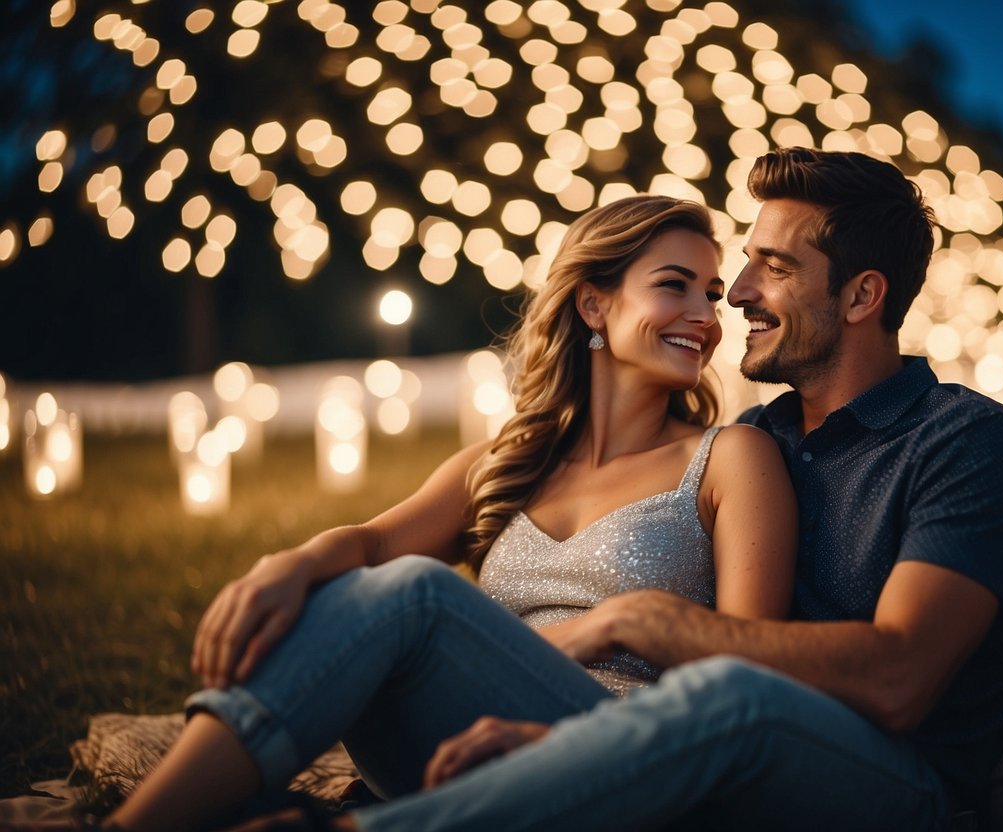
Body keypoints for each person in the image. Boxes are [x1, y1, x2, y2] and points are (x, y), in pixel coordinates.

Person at [261, 147, 1003, 831]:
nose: (735, 295)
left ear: (860, 296)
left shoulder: (964, 442)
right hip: (709, 761)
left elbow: (896, 679)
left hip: (890, 792)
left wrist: (642, 622)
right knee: (409, 593)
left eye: (771, 268)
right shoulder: (758, 445)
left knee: (734, 696)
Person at [78, 196, 798, 832]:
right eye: (674, 287)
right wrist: (289, 566)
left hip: (631, 754)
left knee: (412, 591)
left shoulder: (730, 458)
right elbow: (371, 542)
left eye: (710, 293)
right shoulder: (506, 462)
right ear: (593, 304)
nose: (706, 318)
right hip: (462, 742)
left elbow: (745, 677)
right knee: (348, 583)